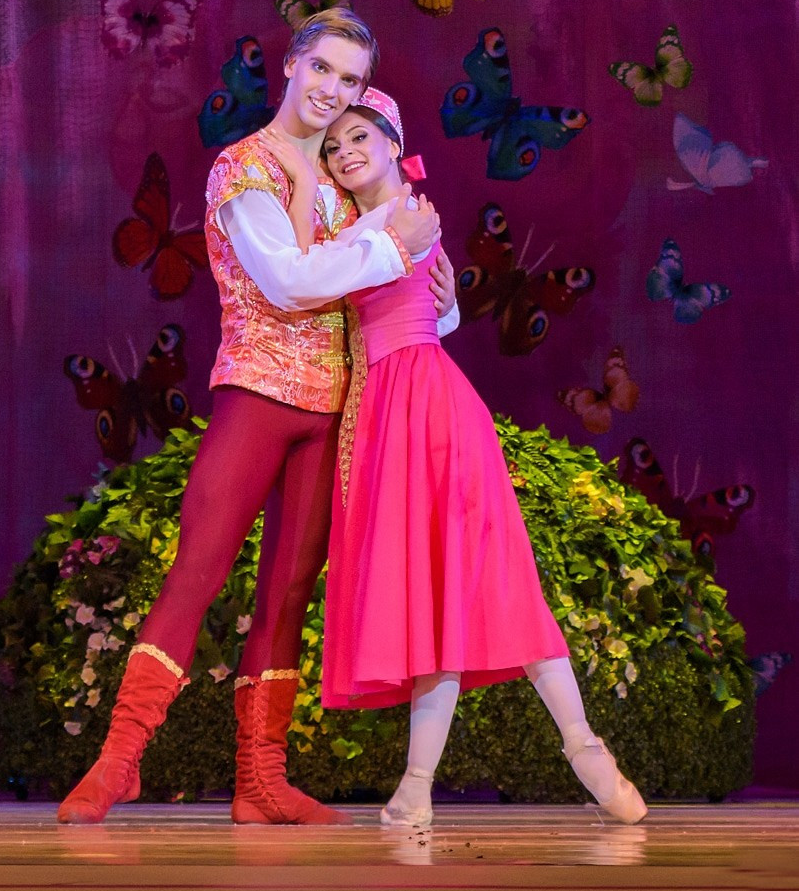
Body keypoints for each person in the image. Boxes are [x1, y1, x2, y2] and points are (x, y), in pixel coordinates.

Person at [57, 9, 456, 826]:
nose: (333, 89)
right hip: (258, 394)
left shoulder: (347, 177)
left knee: (288, 595)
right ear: (291, 65)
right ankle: (119, 761)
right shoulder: (242, 166)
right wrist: (391, 247)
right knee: (197, 574)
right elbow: (285, 282)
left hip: (333, 410)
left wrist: (438, 293)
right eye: (323, 69)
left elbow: (398, 298)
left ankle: (261, 781)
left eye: (350, 79)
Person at [266, 87, 648, 829]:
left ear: (392, 143)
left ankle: (569, 748)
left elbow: (306, 274)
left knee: (481, 585)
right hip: (394, 407)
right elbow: (424, 309)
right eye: (333, 146)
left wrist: (303, 177)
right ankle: (437, 781)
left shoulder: (400, 217)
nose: (344, 153)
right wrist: (442, 302)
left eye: (358, 138)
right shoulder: (394, 221)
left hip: (423, 407)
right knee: (438, 599)